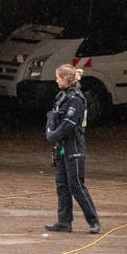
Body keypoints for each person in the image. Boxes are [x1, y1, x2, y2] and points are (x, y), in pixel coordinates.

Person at [44, 64, 101, 235]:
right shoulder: (62, 95)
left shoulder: (76, 98)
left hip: (73, 145)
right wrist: (51, 132)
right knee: (62, 184)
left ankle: (93, 221)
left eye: (58, 77)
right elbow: (53, 117)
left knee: (76, 184)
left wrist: (53, 135)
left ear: (66, 79)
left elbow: (68, 124)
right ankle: (64, 221)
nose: (56, 80)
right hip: (61, 146)